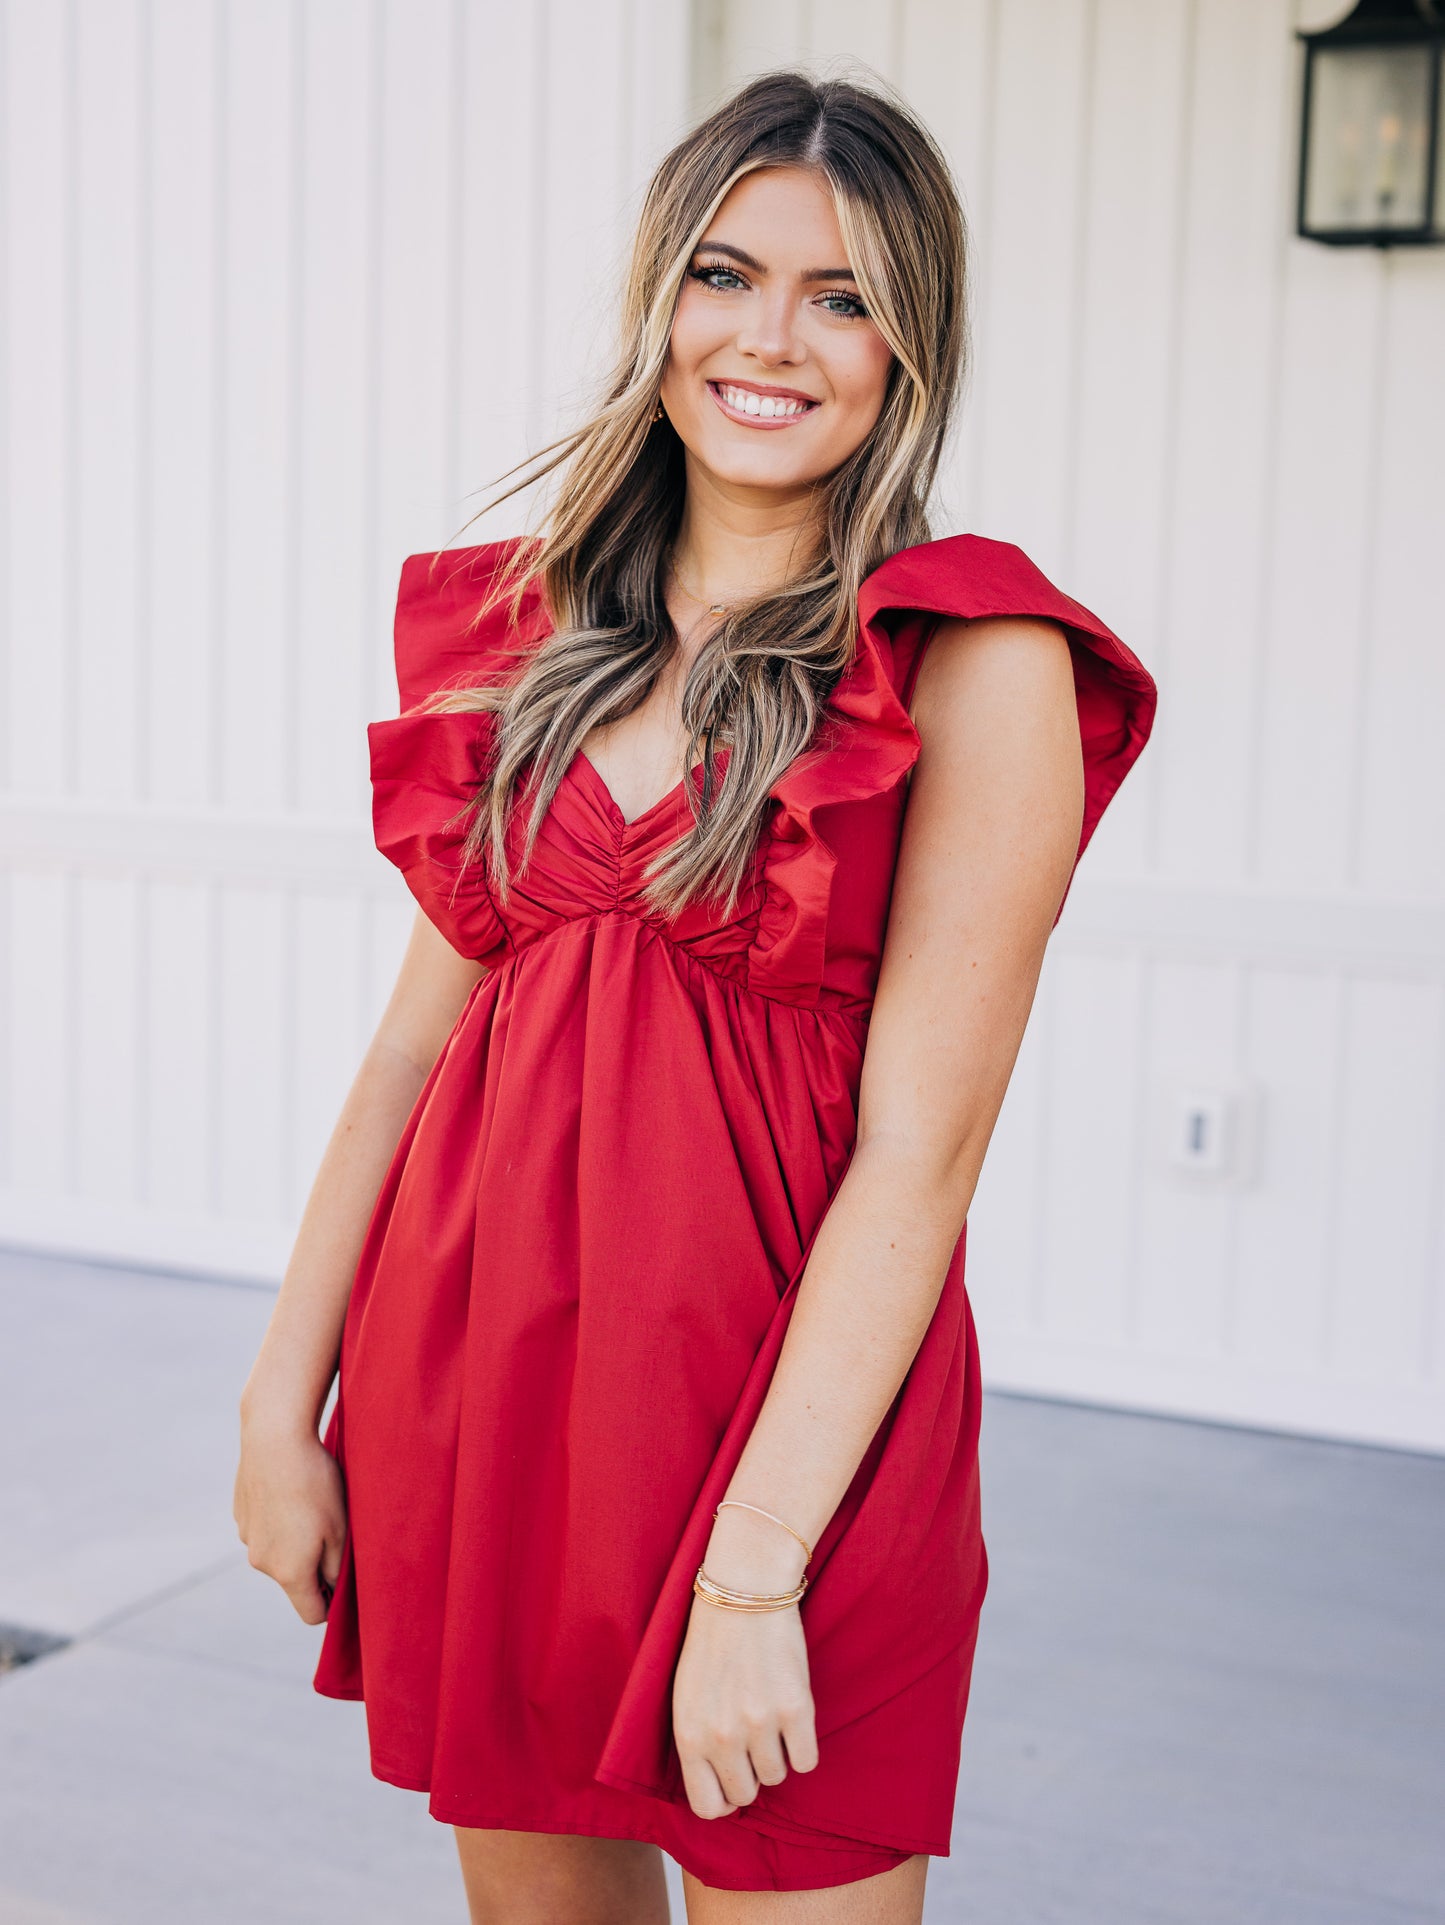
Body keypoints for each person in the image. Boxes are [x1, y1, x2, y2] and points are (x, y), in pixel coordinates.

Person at [233, 68, 1156, 1925]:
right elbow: (414, 1045)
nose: (769, 339)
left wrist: (754, 1568)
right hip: (492, 1402)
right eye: (726, 275)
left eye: (841, 296)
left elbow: (921, 1152)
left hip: (793, 1450)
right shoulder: (534, 632)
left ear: (909, 346)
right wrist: (280, 1398)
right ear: (660, 298)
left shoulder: (970, 655)